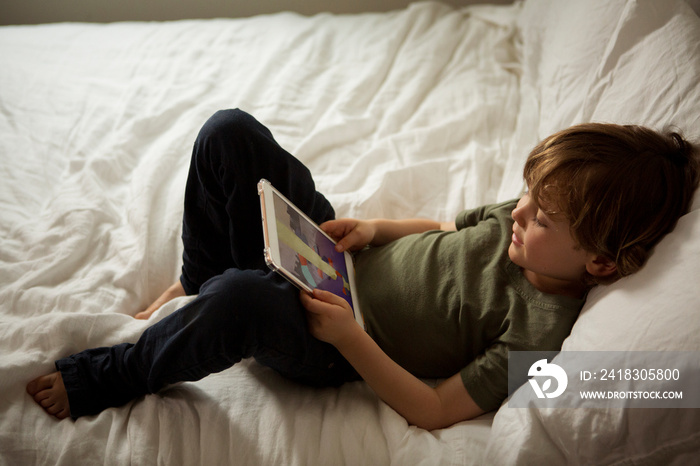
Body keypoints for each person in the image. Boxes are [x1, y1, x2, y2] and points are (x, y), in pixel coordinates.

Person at [26, 109, 699, 429]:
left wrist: (349, 338)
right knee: (227, 134)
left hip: (335, 341)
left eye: (541, 217)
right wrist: (375, 229)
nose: (518, 213)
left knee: (242, 300)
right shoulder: (518, 224)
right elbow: (443, 229)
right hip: (336, 259)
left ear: (601, 262)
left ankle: (108, 375)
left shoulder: (541, 333)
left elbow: (435, 409)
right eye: (526, 195)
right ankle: (195, 277)